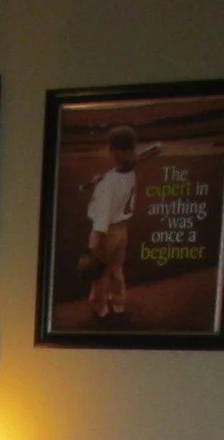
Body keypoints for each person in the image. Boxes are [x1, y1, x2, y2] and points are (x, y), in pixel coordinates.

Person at [82, 126, 139, 317]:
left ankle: (100, 307)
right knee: (116, 269)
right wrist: (101, 181)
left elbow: (103, 215)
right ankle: (119, 302)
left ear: (113, 152)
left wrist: (95, 242)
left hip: (105, 232)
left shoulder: (108, 183)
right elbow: (116, 185)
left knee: (99, 272)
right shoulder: (129, 174)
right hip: (122, 230)